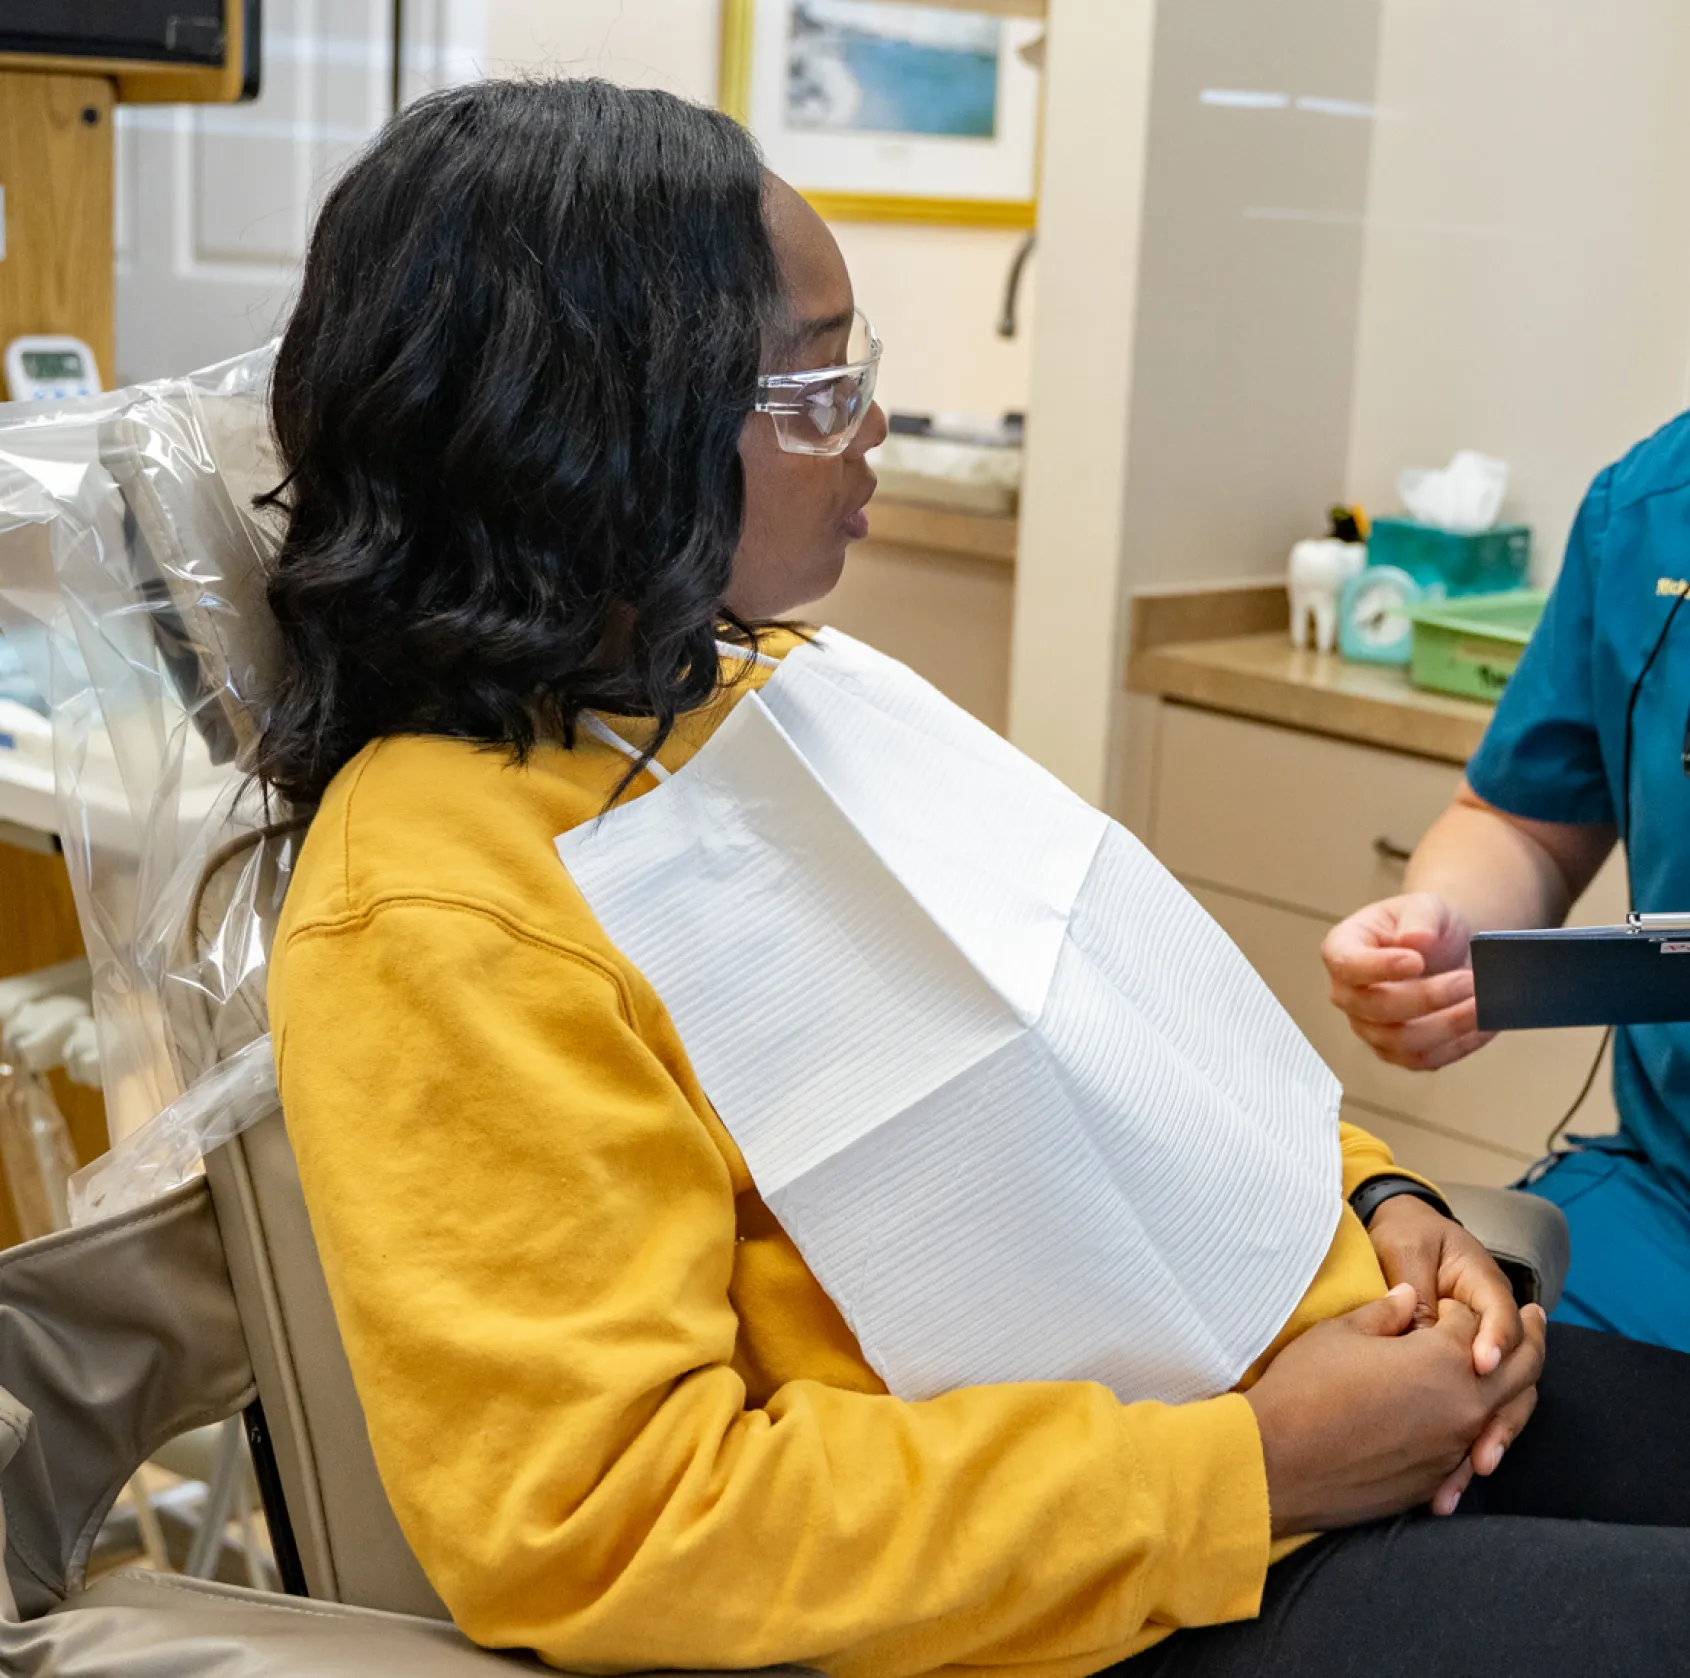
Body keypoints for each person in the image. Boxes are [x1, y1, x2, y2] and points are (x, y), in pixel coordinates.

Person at [261, 76, 1690, 1678]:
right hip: (1105, 1592)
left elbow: (1116, 1049)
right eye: (811, 387)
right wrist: (1252, 1466)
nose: (866, 426)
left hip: (1291, 1396)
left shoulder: (755, 697)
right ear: (588, 423)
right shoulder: (438, 899)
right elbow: (603, 1530)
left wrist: (1373, 1195)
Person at [1323, 421, 1690, 1353]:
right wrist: (1447, 935)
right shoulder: (1649, 508)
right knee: (1417, 1375)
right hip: (1668, 1202)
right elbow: (1524, 822)